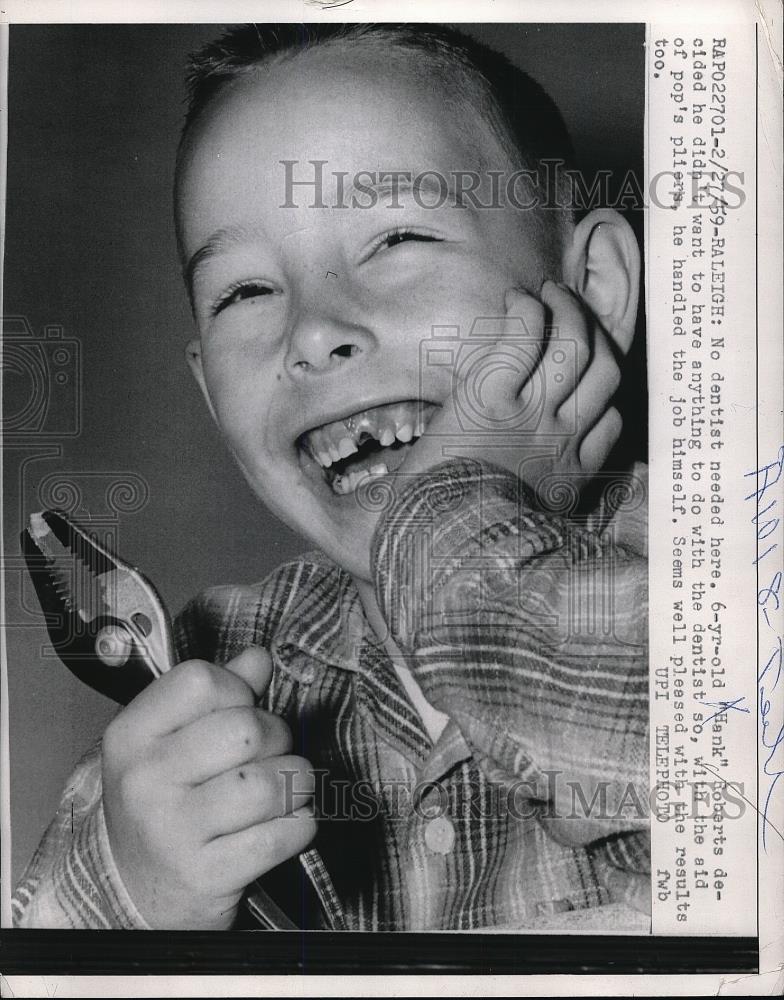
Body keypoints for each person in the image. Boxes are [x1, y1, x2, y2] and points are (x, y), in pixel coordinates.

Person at [13, 22, 649, 931]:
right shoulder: (203, 670)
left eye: (396, 239)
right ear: (206, 388)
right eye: (245, 292)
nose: (313, 330)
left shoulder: (717, 567)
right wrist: (141, 893)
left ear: (592, 284)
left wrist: (450, 510)